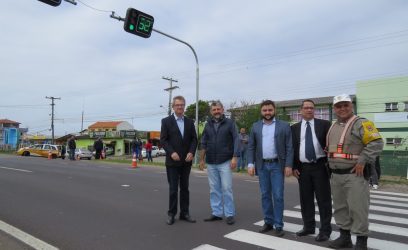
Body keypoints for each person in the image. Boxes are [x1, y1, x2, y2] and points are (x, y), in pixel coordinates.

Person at [327, 94, 383, 250]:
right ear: (334, 109)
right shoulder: (334, 126)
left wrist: (363, 160)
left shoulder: (361, 123)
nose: (342, 108)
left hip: (355, 175)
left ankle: (361, 242)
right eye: (339, 106)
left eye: (346, 105)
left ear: (351, 106)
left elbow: (377, 142)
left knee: (358, 209)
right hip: (336, 175)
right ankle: (345, 237)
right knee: (340, 208)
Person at [247, 100, 293, 237]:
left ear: (274, 111)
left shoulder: (284, 126)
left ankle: (278, 224)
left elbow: (289, 147)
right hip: (262, 166)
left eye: (270, 110)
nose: (267, 113)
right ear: (261, 112)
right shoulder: (255, 127)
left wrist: (289, 165)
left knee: (278, 196)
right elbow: (251, 147)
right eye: (265, 110)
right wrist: (250, 164)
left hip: (277, 165)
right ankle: (268, 222)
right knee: (265, 195)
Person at [291, 99, 332, 242]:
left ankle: (325, 230)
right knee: (306, 199)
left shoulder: (325, 125)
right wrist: (295, 166)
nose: (309, 110)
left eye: (312, 108)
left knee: (324, 200)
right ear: (300, 110)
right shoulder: (294, 128)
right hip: (303, 169)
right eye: (306, 108)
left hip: (320, 166)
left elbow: (331, 144)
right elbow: (294, 149)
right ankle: (308, 227)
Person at [199, 101, 239, 225]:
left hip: (225, 160)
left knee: (227, 188)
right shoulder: (208, 124)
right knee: (214, 189)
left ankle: (229, 214)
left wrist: (234, 157)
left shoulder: (230, 123)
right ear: (211, 111)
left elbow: (236, 139)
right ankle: (216, 213)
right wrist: (201, 159)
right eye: (214, 109)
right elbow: (204, 142)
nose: (216, 111)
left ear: (222, 109)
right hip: (211, 161)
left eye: (218, 109)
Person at [160, 95, 198, 225]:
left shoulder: (189, 121)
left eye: (182, 105)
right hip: (172, 162)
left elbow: (194, 139)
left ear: (184, 106)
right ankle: (171, 214)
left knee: (185, 188)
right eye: (177, 105)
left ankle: (184, 213)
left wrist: (192, 152)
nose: (180, 107)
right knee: (173, 189)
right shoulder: (166, 121)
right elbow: (163, 140)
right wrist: (171, 152)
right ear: (173, 107)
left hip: (186, 161)